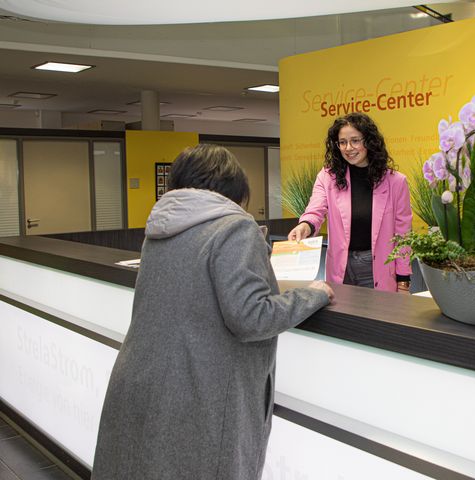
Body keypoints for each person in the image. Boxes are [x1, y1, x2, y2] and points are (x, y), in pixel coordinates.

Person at [92, 144, 334, 480]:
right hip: (198, 395)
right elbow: (252, 317)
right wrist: (313, 295)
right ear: (234, 188)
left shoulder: (160, 229)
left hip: (141, 381)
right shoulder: (234, 228)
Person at [288, 112, 413, 293]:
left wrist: (403, 281)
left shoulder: (396, 182)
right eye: (342, 142)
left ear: (369, 141)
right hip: (340, 266)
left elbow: (403, 235)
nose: (348, 148)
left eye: (355, 140)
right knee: (342, 321)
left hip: (376, 268)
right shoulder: (327, 177)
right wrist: (305, 225)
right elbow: (315, 210)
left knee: (375, 321)